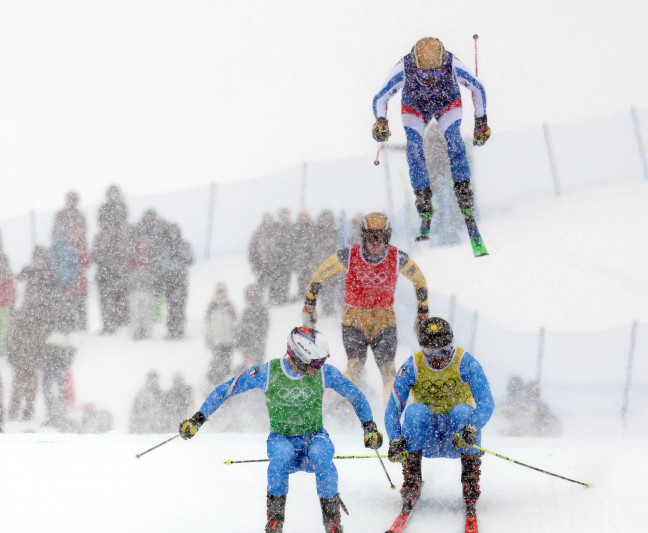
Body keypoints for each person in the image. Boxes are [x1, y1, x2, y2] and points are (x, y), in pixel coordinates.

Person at [178, 327, 384, 533]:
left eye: (322, 361)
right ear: (299, 358)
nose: (319, 367)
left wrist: (369, 427)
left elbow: (356, 396)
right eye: (316, 363)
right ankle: (275, 522)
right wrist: (198, 419)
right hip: (282, 438)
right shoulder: (268, 373)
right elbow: (226, 390)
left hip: (314, 436)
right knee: (281, 456)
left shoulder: (324, 373)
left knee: (321, 455)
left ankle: (332, 522)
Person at [371, 37, 491, 250]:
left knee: (454, 140)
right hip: (416, 106)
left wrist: (481, 121)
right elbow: (380, 97)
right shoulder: (404, 68)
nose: (430, 79)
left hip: (447, 101)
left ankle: (464, 191)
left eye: (435, 73)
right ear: (415, 65)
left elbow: (478, 87)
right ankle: (423, 198)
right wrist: (380, 121)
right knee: (414, 147)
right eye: (424, 74)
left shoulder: (452, 64)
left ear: (442, 63)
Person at [301, 212, 428, 404]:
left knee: (388, 371)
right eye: (371, 237)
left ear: (387, 237)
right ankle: (342, 409)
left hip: (384, 321)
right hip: (354, 320)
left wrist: (423, 313)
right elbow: (319, 275)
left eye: (381, 237)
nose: (376, 243)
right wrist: (309, 306)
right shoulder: (349, 255)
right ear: (363, 236)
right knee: (354, 369)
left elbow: (419, 279)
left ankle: (393, 414)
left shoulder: (397, 257)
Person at [384, 317, 494, 531]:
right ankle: (412, 480)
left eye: (444, 351)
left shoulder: (465, 362)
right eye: (430, 352)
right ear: (422, 349)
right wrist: (395, 439)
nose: (437, 358)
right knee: (415, 411)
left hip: (458, 438)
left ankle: (470, 484)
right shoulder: (413, 365)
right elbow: (393, 408)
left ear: (451, 345)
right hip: (426, 439)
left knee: (463, 411)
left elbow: (487, 402)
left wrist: (472, 428)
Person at [204, 282, 237, 384]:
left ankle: (228, 384)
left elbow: (236, 323)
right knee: (217, 363)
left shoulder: (230, 306)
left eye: (223, 291)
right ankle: (217, 383)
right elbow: (208, 324)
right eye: (219, 291)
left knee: (227, 364)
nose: (221, 293)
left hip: (228, 340)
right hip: (216, 341)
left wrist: (232, 311)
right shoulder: (212, 306)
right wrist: (208, 337)